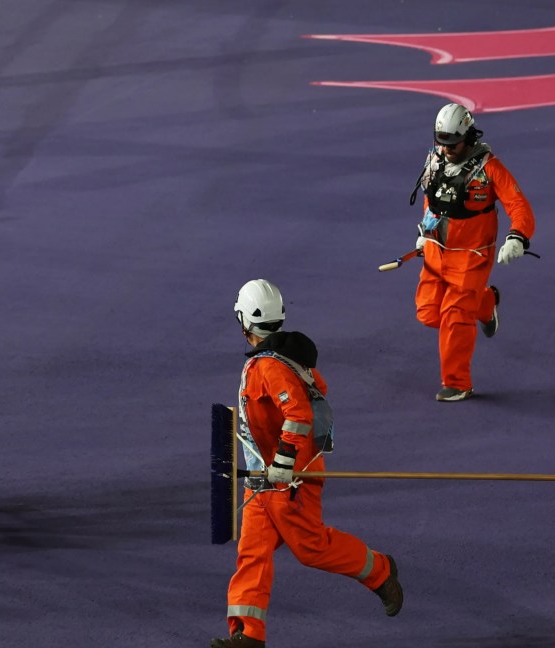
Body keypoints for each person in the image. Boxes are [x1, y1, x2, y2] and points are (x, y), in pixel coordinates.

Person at [216, 278, 402, 648]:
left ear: (243, 321)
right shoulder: (275, 360)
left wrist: (284, 461)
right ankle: (247, 634)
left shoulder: (271, 368)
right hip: (263, 479)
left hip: (292, 480)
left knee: (311, 547)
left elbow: (297, 413)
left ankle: (381, 570)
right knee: (252, 552)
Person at [408, 103, 535, 401]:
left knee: (455, 317)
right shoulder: (434, 159)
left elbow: (519, 206)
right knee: (428, 313)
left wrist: (517, 237)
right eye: (442, 142)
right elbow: (432, 200)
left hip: (472, 256)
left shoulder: (490, 167)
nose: (447, 148)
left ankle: (457, 383)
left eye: (453, 143)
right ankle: (485, 300)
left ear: (469, 136)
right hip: (438, 250)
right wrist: (425, 234)